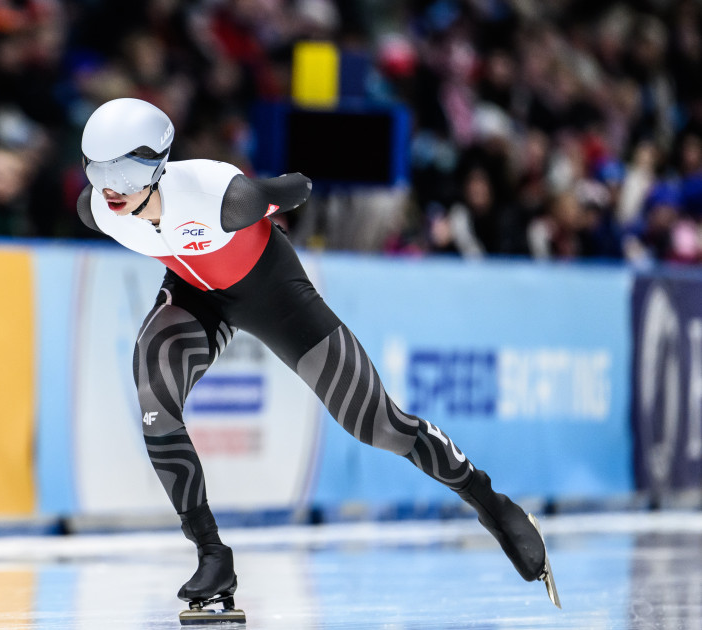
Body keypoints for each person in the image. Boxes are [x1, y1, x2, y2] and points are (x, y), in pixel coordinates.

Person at [75, 98, 560, 623]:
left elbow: (293, 191)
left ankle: (491, 503)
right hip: (195, 293)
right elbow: (112, 205)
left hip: (272, 292)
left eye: (123, 171)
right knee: (154, 396)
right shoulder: (97, 208)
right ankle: (212, 556)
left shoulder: (219, 196)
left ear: (158, 165)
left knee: (376, 424)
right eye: (96, 169)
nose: (109, 187)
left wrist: (285, 187)